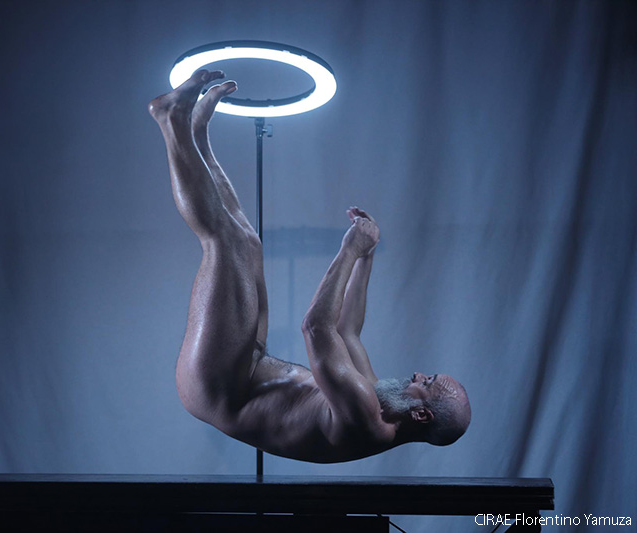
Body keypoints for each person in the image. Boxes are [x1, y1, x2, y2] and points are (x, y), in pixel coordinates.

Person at [148, 69, 471, 463]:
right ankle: (197, 135)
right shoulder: (373, 395)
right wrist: (366, 258)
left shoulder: (364, 418)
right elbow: (347, 330)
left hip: (217, 387)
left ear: (421, 414)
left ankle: (170, 119)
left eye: (428, 382)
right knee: (248, 243)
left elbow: (317, 328)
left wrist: (349, 250)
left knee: (225, 242)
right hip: (245, 366)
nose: (419, 374)